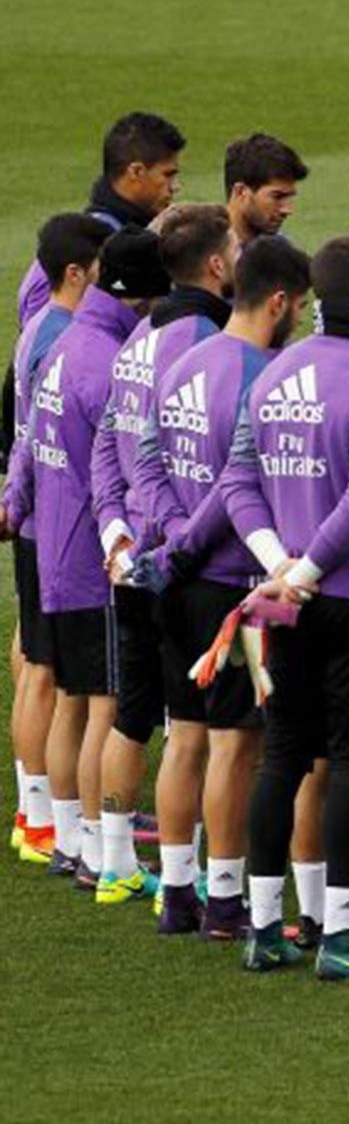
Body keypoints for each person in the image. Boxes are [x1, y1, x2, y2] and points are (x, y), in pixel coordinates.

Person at [221, 236, 349, 979]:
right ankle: (340, 937)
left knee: (279, 758)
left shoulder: (271, 376)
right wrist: (305, 570)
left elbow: (237, 481)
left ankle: (264, 929)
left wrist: (277, 566)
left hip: (273, 601)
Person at [129, 235, 313, 936]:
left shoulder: (182, 362)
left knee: (184, 735)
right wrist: (190, 542)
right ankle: (228, 900)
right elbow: (236, 488)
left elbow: (147, 458)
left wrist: (170, 537)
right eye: (300, 305)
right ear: (277, 301)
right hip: (230, 580)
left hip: (175, 578)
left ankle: (178, 890)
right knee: (237, 744)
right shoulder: (260, 375)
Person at [90, 204, 239, 907]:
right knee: (200, 729)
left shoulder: (138, 340)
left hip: (133, 553)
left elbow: (107, 448)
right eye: (235, 245)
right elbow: (189, 453)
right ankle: (199, 876)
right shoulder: (204, 339)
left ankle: (118, 863)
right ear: (214, 263)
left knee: (135, 712)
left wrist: (114, 532)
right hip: (183, 556)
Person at [12, 229, 163, 893]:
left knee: (74, 697)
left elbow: (26, 443)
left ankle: (70, 839)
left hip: (54, 545)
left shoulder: (61, 337)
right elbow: (113, 467)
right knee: (103, 701)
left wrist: (14, 502)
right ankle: (106, 854)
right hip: (92, 553)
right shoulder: (106, 359)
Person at [5, 214, 115, 867]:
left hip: (35, 518)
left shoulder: (38, 331)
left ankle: (37, 814)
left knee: (37, 665)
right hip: (58, 526)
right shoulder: (67, 340)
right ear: (78, 272)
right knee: (55, 679)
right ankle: (51, 821)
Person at [15, 111, 184, 325]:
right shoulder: (92, 248)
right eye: (168, 174)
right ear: (136, 172)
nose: (175, 186)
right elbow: (47, 338)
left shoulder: (97, 233)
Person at [223, 133, 308, 246]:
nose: (287, 210)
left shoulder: (282, 251)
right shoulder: (201, 253)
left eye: (289, 197)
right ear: (241, 192)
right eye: (277, 196)